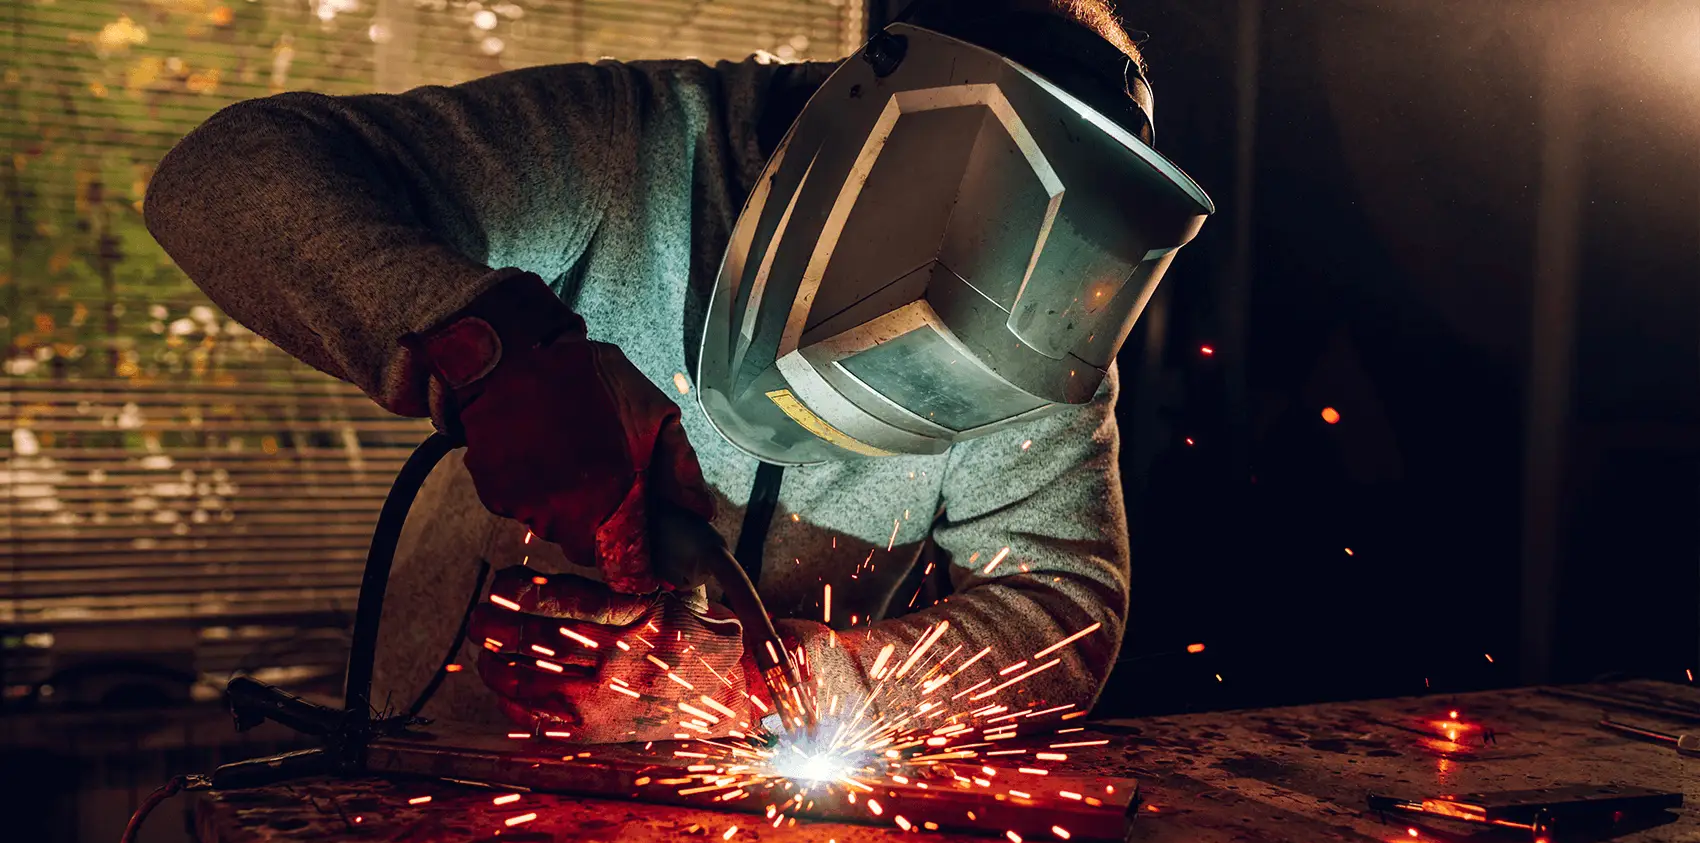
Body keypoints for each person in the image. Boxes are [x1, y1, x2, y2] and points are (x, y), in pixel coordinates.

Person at [144, 0, 1211, 741]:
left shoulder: (1040, 325)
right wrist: (484, 338)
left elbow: (1061, 608)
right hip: (455, 754)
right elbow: (222, 176)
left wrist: (782, 689)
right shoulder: (628, 147)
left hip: (777, 812)